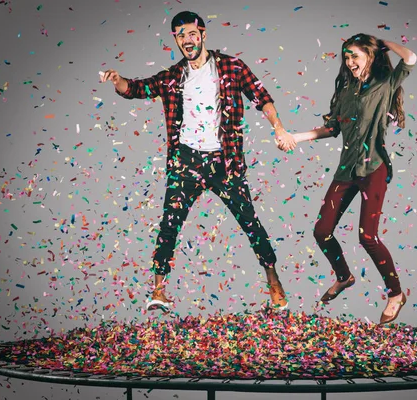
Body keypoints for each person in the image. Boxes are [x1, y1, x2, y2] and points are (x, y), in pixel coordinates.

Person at [101, 11, 295, 311]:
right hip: (186, 162)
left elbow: (261, 96)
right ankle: (159, 291)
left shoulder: (231, 67)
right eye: (180, 35)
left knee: (250, 222)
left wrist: (278, 127)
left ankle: (274, 283)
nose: (187, 40)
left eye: (191, 33)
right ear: (175, 40)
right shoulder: (172, 76)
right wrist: (118, 81)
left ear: (202, 34)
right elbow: (138, 89)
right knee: (169, 225)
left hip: (224, 161)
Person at [283, 33, 416, 324]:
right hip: (347, 171)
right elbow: (331, 128)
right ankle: (344, 277)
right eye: (346, 56)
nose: (350, 61)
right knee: (321, 232)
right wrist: (296, 137)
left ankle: (396, 294)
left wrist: (383, 44)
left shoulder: (385, 84)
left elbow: (410, 58)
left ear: (369, 56)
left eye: (355, 55)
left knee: (367, 236)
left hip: (373, 170)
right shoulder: (344, 90)